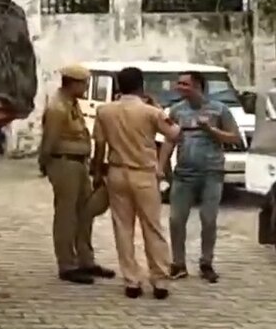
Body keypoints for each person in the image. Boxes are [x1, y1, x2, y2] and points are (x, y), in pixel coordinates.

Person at [92, 67, 181, 299]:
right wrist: (158, 109)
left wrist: (97, 173)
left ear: (119, 86)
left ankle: (132, 280)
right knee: (152, 227)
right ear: (141, 85)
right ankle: (159, 280)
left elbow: (100, 145)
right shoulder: (150, 112)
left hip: (117, 171)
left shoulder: (104, 111)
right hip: (143, 173)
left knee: (123, 228)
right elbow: (174, 133)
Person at [158, 71, 240, 283]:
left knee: (208, 219)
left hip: (212, 172)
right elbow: (169, 140)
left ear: (198, 86)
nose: (179, 87)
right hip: (184, 173)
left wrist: (211, 130)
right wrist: (161, 166)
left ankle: (206, 262)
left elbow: (235, 138)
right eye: (179, 83)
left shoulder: (219, 109)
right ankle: (178, 263)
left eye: (185, 84)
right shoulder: (176, 111)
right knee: (176, 219)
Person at [38, 64, 115, 285]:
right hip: (64, 162)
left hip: (79, 163)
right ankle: (67, 263)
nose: (85, 88)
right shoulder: (57, 108)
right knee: (66, 214)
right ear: (72, 83)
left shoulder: (71, 104)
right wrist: (45, 164)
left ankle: (85, 259)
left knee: (84, 212)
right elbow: (49, 141)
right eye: (83, 84)